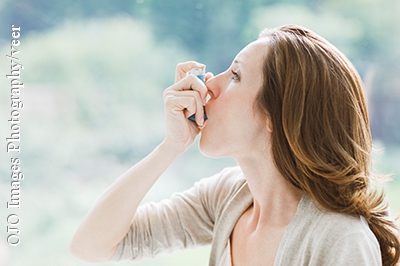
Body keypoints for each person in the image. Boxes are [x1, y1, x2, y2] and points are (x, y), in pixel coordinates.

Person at [70, 25, 400, 266]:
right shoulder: (229, 196)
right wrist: (171, 146)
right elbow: (91, 246)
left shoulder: (339, 240)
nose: (209, 85)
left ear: (276, 115)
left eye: (236, 76)